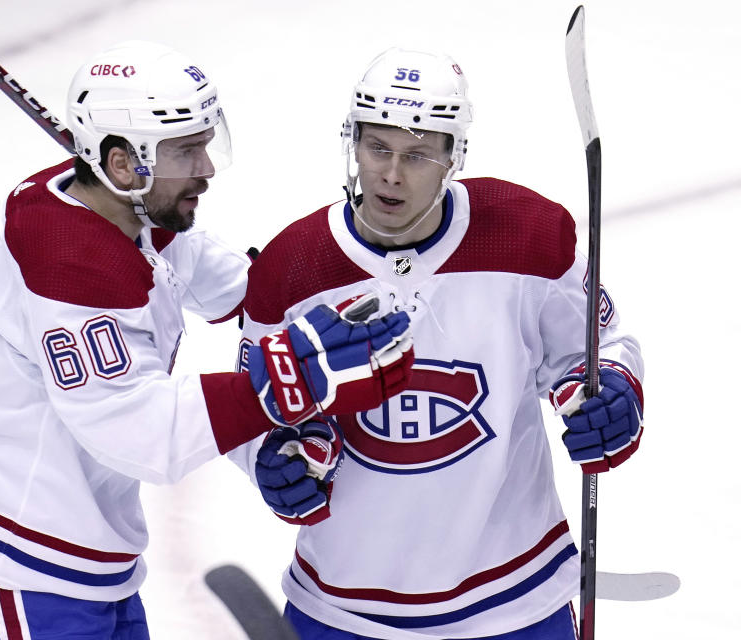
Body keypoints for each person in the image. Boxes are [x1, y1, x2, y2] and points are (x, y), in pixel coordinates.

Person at [0, 41, 415, 640]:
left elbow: (232, 284)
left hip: (74, 557)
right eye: (186, 151)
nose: (206, 167)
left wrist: (309, 300)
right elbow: (143, 432)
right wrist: (285, 380)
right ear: (124, 164)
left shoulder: (119, 208)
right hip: (7, 562)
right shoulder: (67, 266)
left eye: (206, 142)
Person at [231, 48, 645, 640]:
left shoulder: (526, 235)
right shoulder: (291, 270)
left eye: (418, 154)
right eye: (378, 148)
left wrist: (613, 394)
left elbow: (598, 345)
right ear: (353, 142)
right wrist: (272, 460)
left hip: (516, 598)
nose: (391, 173)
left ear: (453, 157)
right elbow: (252, 405)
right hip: (343, 605)